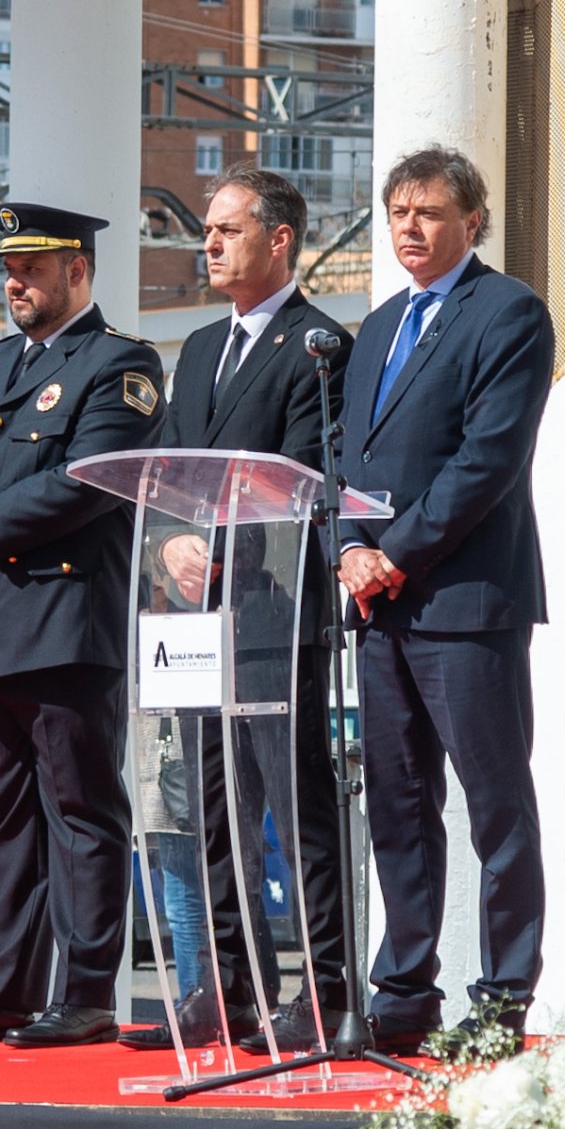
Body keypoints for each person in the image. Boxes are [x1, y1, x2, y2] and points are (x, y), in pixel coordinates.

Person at [0, 202, 167, 1051]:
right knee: (7, 819)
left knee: (81, 811)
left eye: (33, 268)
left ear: (77, 272)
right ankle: (7, 989)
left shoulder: (119, 363)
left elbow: (88, 478)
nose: (16, 282)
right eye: (9, 269)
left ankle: (86, 988)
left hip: (61, 623)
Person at [332, 147, 557, 1055]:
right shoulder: (378, 328)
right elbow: (343, 457)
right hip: (378, 607)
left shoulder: (508, 313)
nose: (409, 228)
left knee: (496, 806)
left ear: (473, 219)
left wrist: (394, 554)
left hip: (466, 600)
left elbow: (487, 462)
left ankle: (503, 998)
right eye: (396, 213)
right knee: (396, 804)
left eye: (427, 211)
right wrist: (347, 546)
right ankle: (405, 990)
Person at [141, 166, 353, 1050]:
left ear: (280, 239)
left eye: (229, 229)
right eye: (209, 230)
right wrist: (166, 546)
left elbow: (306, 477)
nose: (210, 243)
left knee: (293, 809)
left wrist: (221, 548)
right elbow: (162, 469)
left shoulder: (318, 346)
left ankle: (325, 989)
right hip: (194, 619)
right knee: (211, 809)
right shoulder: (195, 349)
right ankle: (229, 985)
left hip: (272, 611)